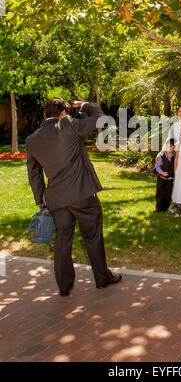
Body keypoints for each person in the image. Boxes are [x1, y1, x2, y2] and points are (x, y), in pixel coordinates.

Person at [25, 98, 122, 297]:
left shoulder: (32, 140)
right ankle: (102, 278)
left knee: (62, 240)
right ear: (63, 112)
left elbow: (34, 175)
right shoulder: (68, 124)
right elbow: (101, 119)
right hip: (83, 195)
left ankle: (64, 286)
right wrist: (86, 105)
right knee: (93, 237)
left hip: (57, 200)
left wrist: (40, 202)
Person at [157, 103, 181, 213]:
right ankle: (177, 203)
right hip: (177, 157)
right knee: (178, 181)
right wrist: (160, 153)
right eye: (179, 111)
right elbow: (169, 140)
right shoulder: (175, 126)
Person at [154, 139, 175, 212]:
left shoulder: (175, 157)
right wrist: (161, 172)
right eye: (167, 146)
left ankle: (166, 207)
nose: (169, 148)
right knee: (160, 192)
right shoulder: (161, 156)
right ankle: (159, 207)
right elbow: (157, 166)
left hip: (170, 178)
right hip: (161, 178)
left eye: (171, 146)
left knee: (168, 193)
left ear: (174, 148)